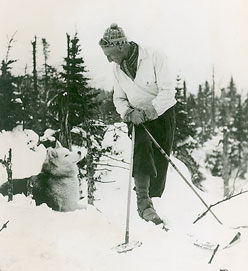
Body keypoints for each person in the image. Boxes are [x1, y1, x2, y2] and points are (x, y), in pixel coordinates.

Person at [99, 23, 176, 225]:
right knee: (141, 148)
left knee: (160, 162)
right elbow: (119, 99)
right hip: (137, 119)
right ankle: (144, 205)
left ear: (121, 46)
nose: (108, 59)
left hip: (162, 113)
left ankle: (157, 206)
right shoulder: (117, 69)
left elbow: (168, 92)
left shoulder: (154, 56)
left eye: (110, 54)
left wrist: (149, 111)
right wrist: (128, 113)